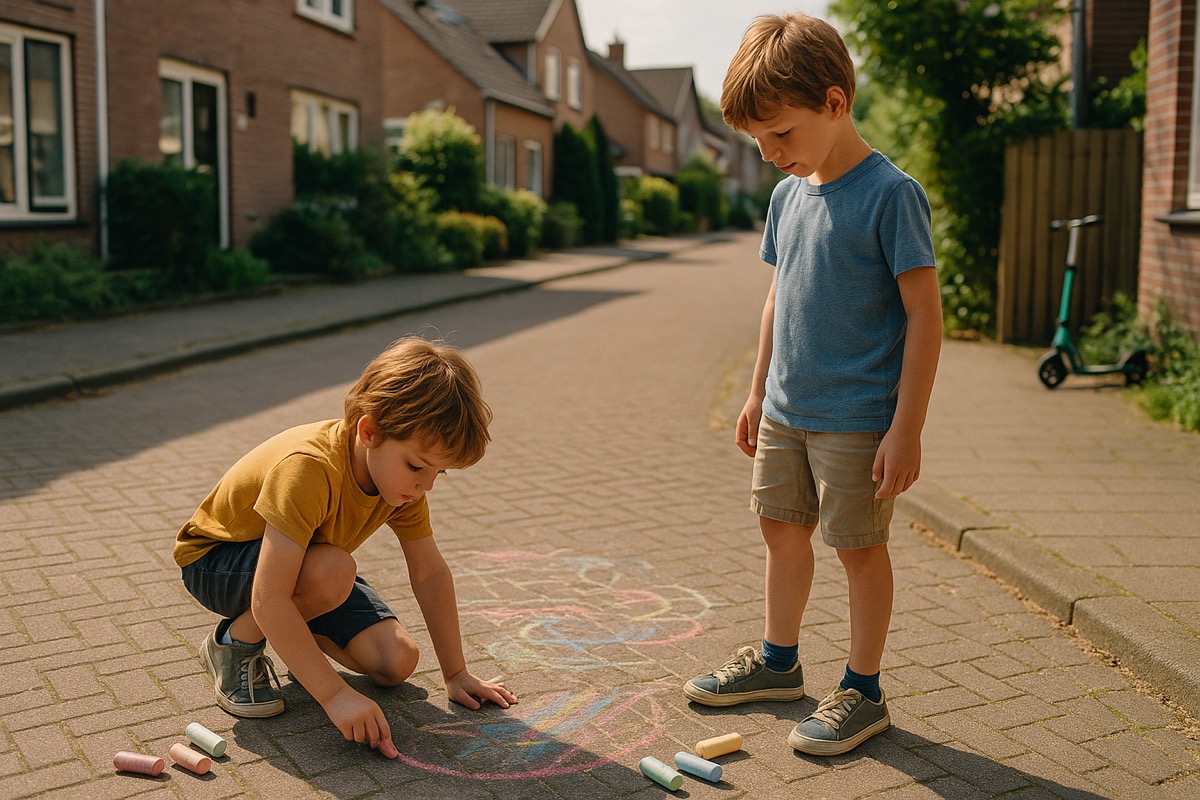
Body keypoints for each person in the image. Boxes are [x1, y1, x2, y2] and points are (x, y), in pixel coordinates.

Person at [683, 14, 942, 756]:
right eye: (758, 143)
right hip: (784, 409)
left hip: (857, 415)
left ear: (834, 102)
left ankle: (864, 690)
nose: (769, 155)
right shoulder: (787, 197)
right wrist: (755, 391)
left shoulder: (891, 194)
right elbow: (778, 298)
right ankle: (778, 663)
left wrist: (906, 427)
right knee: (779, 530)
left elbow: (925, 314)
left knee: (858, 548)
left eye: (780, 135)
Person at [174, 336, 518, 758]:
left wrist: (456, 672)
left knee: (396, 662)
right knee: (333, 572)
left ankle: (295, 634)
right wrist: (334, 695)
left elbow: (429, 573)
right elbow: (269, 597)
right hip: (214, 561)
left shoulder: (402, 486)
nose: (425, 485)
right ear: (369, 431)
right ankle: (231, 646)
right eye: (417, 466)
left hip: (307, 566)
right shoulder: (308, 468)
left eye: (439, 473)